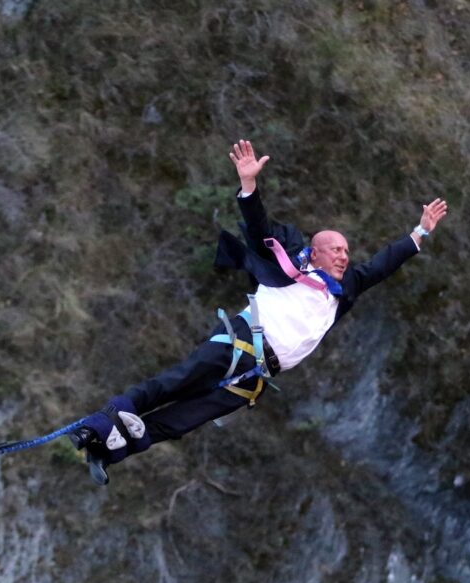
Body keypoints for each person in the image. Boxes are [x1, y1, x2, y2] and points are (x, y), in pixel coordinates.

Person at [69, 139, 448, 484]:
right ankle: (100, 423)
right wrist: (249, 187)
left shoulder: (344, 290)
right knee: (174, 382)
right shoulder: (287, 267)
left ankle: (108, 452)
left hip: (257, 377)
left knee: (185, 419)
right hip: (241, 343)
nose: (344, 256)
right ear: (315, 252)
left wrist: (421, 231)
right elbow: (258, 228)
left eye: (347, 252)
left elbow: (384, 264)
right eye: (336, 249)